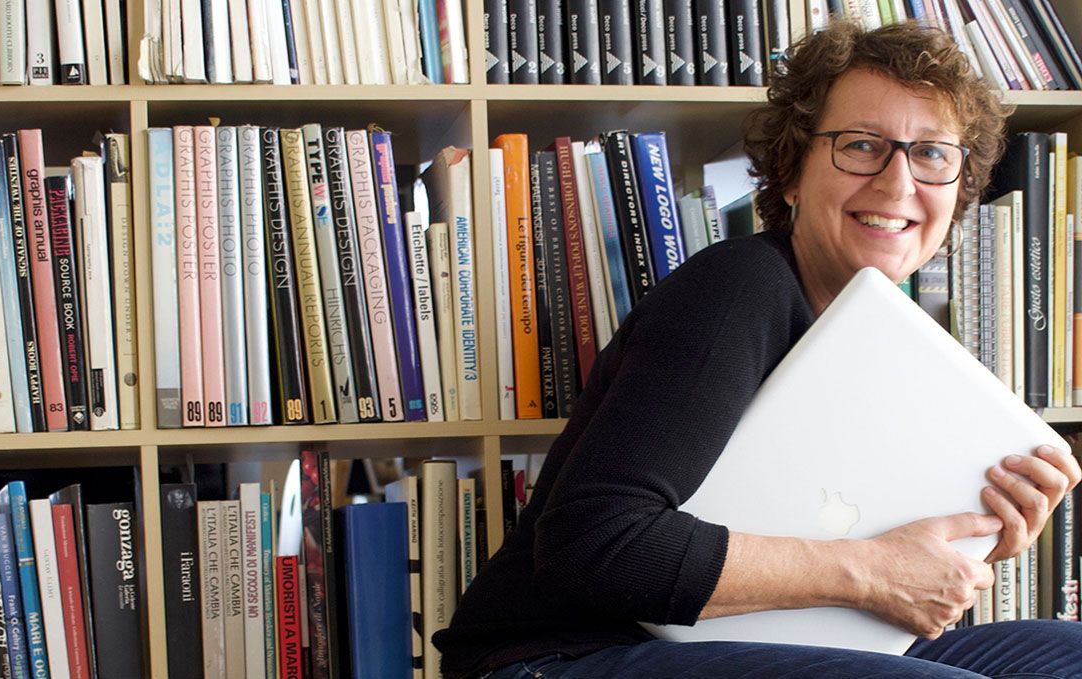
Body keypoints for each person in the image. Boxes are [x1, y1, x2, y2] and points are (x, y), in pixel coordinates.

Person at [435, 21, 1082, 678]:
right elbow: (593, 543)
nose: (897, 184)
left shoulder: (891, 342)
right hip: (558, 655)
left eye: (933, 154)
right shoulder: (740, 287)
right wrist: (872, 573)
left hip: (752, 640)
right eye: (861, 145)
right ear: (792, 173)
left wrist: (977, 533)